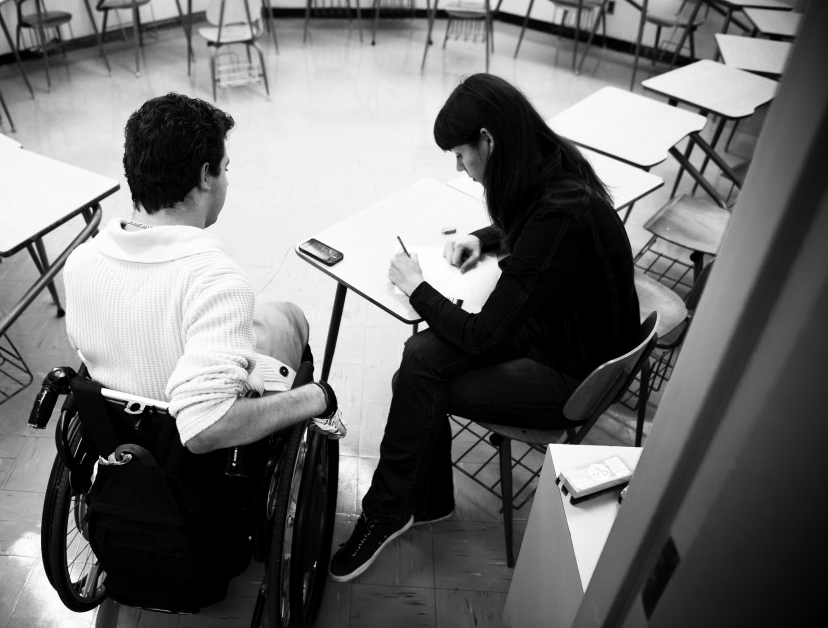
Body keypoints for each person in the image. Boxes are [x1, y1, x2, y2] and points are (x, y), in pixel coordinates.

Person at [329, 74, 640, 582]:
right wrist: (485, 238)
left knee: (421, 374)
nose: (460, 167)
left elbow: (483, 336)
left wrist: (416, 288)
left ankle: (390, 512)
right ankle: (421, 503)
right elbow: (536, 231)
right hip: (560, 331)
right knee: (420, 362)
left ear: (489, 141)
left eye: (461, 154)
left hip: (574, 373)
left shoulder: (561, 210)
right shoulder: (552, 164)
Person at [64, 92, 345, 455]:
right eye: (224, 168)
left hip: (121, 433)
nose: (226, 178)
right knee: (288, 317)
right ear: (205, 177)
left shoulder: (82, 261)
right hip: (195, 464)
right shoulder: (213, 280)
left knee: (267, 316)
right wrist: (318, 397)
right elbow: (204, 426)